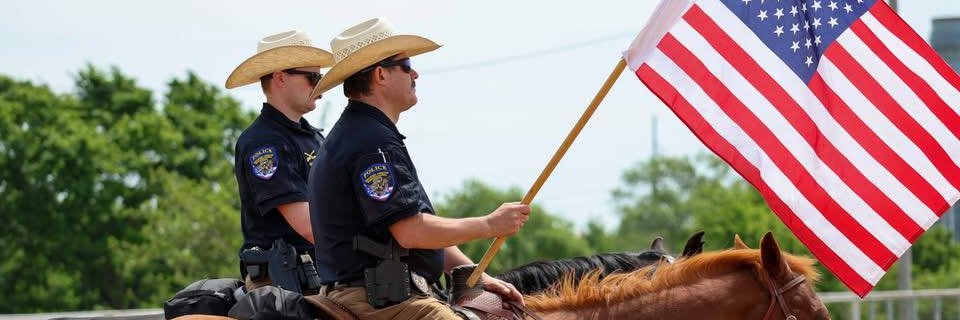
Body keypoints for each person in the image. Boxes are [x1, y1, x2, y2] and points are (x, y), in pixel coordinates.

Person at [306, 18, 531, 319]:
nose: (415, 73)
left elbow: (414, 228)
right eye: (406, 64)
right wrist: (490, 225)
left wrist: (478, 274)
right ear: (381, 74)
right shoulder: (371, 141)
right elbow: (411, 232)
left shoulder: (365, 133)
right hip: (380, 302)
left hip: (384, 295)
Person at [225, 30, 333, 278]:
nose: (322, 87)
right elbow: (309, 227)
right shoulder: (264, 143)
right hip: (284, 285)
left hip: (317, 277)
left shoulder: (313, 137)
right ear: (280, 78)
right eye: (313, 77)